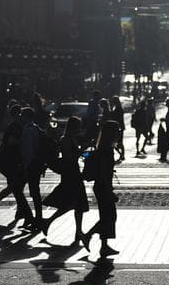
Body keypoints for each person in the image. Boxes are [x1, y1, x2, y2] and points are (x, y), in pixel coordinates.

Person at [43, 116, 90, 245]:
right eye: (79, 126)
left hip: (74, 172)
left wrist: (87, 153)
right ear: (74, 127)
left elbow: (79, 155)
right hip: (70, 174)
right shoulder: (65, 140)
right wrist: (82, 151)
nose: (80, 128)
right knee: (71, 204)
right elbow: (70, 157)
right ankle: (48, 222)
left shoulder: (72, 139)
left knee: (77, 204)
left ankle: (78, 232)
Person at [82, 120, 121, 257]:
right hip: (103, 187)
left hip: (100, 186)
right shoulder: (107, 150)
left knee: (107, 216)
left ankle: (103, 246)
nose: (119, 132)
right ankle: (89, 236)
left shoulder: (103, 147)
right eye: (117, 130)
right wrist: (109, 191)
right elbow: (104, 172)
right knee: (109, 216)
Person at [17, 107, 46, 232]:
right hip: (37, 164)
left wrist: (25, 166)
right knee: (34, 192)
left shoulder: (28, 130)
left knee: (19, 189)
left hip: (30, 165)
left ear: (26, 116)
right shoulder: (36, 128)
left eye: (22, 115)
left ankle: (33, 218)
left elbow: (28, 151)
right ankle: (36, 218)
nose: (20, 117)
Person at [108, 96, 126, 163]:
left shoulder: (118, 108)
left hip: (118, 127)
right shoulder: (118, 108)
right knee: (119, 142)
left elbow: (115, 117)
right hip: (119, 126)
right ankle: (122, 154)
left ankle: (122, 154)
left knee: (117, 142)